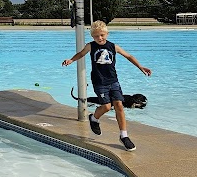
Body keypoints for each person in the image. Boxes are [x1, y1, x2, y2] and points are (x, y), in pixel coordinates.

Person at [62, 20, 151, 151]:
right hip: (99, 82)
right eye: (97, 36)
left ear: (107, 34)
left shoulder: (113, 47)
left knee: (119, 105)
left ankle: (124, 136)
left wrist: (140, 67)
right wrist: (71, 60)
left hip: (113, 81)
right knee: (107, 107)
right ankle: (94, 117)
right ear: (93, 36)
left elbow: (129, 56)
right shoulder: (90, 46)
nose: (100, 38)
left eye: (102, 35)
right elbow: (81, 54)